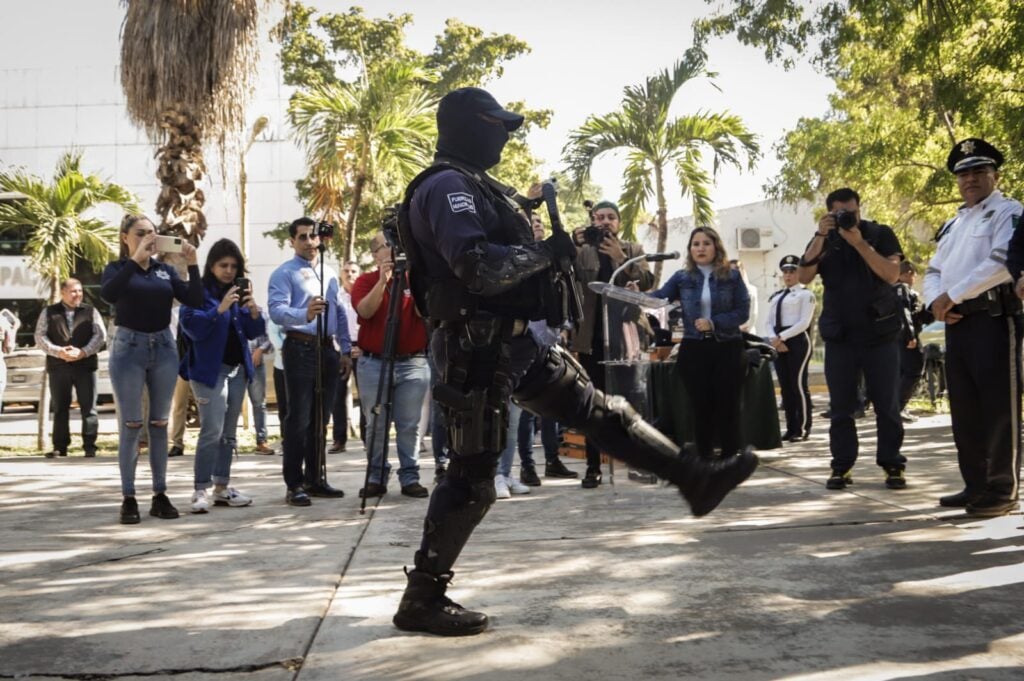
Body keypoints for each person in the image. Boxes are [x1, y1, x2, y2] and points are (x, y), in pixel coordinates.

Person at [391, 86, 758, 636]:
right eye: (495, 125)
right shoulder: (447, 187)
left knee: (601, 411)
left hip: (515, 343)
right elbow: (474, 266)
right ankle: (421, 598)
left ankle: (694, 478)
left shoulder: (477, 186)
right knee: (473, 475)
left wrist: (560, 245)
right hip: (476, 346)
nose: (503, 136)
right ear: (469, 126)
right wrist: (546, 252)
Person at [927, 138, 1022, 517]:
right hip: (957, 321)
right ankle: (975, 483)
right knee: (964, 407)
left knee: (999, 407)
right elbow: (933, 270)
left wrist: (952, 295)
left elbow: (1002, 264)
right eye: (964, 173)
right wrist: (937, 302)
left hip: (994, 319)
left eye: (979, 171)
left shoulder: (1009, 212)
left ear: (995, 175)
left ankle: (1002, 489)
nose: (971, 179)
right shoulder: (953, 223)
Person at [797, 188, 906, 491]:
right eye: (839, 214)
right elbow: (804, 277)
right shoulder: (823, 240)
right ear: (829, 213)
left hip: (879, 333)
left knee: (886, 404)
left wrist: (859, 243)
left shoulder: (880, 233)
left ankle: (892, 463)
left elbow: (891, 274)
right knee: (841, 407)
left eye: (852, 212)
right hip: (840, 336)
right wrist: (821, 235)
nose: (847, 218)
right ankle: (841, 466)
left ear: (860, 209)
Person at [101, 214, 202, 524]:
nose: (149, 238)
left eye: (153, 233)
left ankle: (160, 494)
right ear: (124, 237)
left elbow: (195, 299)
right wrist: (135, 259)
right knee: (131, 425)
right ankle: (129, 497)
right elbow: (109, 294)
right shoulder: (117, 269)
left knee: (159, 423)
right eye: (141, 233)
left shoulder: (165, 271)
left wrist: (194, 263)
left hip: (163, 347)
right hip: (128, 347)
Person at [267, 218, 352, 506]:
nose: (309, 242)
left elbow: (340, 312)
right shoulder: (284, 273)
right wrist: (304, 314)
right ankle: (295, 483)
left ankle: (316, 478)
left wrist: (344, 350)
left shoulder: (329, 272)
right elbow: (276, 311)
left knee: (320, 418)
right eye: (302, 237)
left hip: (327, 350)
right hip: (300, 348)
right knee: (299, 418)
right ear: (292, 241)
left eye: (313, 236)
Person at [571, 200, 654, 488]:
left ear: (619, 222)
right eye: (600, 217)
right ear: (592, 221)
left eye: (611, 217)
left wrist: (621, 259)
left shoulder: (633, 250)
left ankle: (637, 463)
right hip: (592, 340)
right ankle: (593, 466)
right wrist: (572, 243)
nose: (606, 222)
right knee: (594, 404)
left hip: (627, 337)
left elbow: (647, 283)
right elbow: (565, 275)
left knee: (632, 401)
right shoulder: (582, 251)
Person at [179, 239, 266, 512]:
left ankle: (221, 487)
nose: (229, 271)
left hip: (237, 370)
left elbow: (254, 333)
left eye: (234, 266)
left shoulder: (237, 292)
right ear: (211, 266)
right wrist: (219, 309)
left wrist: (253, 311)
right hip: (208, 372)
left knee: (228, 433)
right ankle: (199, 489)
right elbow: (192, 327)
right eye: (223, 265)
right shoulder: (199, 292)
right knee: (212, 431)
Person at [650, 227, 750, 459]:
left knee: (728, 404)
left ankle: (729, 457)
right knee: (700, 405)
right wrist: (638, 294)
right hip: (694, 348)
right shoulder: (682, 277)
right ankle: (704, 457)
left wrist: (714, 323)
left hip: (728, 347)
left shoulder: (732, 276)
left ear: (716, 247)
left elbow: (743, 312)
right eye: (696, 244)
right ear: (690, 249)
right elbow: (660, 297)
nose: (701, 248)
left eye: (706, 243)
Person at [352, 233, 430, 499]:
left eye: (398, 244)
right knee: (376, 423)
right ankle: (376, 476)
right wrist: (383, 282)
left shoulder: (415, 279)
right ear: (375, 254)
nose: (395, 249)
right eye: (388, 246)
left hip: (412, 363)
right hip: (374, 363)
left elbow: (424, 313)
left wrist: (414, 278)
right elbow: (365, 311)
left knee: (409, 424)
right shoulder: (365, 281)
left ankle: (410, 476)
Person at [34, 278, 106, 458]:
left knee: (89, 407)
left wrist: (83, 352)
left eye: (80, 291)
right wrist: (59, 352)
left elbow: (100, 336)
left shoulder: (90, 311)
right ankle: (60, 447)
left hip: (85, 366)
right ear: (63, 293)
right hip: (59, 367)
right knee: (60, 407)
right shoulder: (49, 312)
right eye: (73, 291)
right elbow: (40, 336)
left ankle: (90, 446)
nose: (78, 295)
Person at [761, 255, 816, 442]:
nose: (788, 275)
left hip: (797, 340)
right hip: (778, 340)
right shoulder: (777, 296)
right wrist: (774, 340)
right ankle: (791, 428)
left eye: (792, 271)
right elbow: (768, 321)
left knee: (798, 385)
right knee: (785, 387)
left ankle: (802, 428)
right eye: (785, 272)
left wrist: (782, 338)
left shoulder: (805, 295)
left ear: (799, 273)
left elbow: (803, 322)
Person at [330, 260, 361, 453]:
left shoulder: (364, 293)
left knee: (366, 395)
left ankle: (368, 438)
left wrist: (362, 347)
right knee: (337, 395)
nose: (350, 274)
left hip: (363, 348)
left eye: (353, 271)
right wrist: (343, 349)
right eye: (346, 271)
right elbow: (332, 324)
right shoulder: (335, 297)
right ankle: (339, 440)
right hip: (339, 348)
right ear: (341, 274)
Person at [895, 261, 930, 421]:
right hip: (907, 338)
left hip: (900, 337)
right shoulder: (902, 289)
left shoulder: (896, 289)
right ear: (909, 273)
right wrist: (910, 336)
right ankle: (899, 407)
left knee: (903, 373)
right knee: (914, 371)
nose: (914, 279)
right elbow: (905, 313)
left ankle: (897, 407)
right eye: (914, 275)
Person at [730, 259, 759, 333]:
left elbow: (753, 314)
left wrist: (741, 328)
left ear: (742, 271)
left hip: (746, 332)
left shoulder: (750, 289)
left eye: (737, 269)